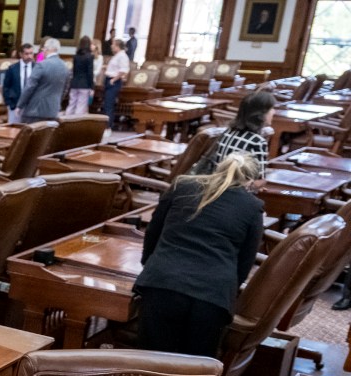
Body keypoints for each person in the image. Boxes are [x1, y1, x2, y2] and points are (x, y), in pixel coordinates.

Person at [136, 152, 264, 357]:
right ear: (249, 181)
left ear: (219, 167)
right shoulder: (253, 207)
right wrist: (228, 290)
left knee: (151, 361)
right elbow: (244, 263)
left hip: (163, 282)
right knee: (195, 369)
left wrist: (150, 266)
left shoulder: (182, 185)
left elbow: (153, 232)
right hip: (212, 295)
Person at [210, 89, 274, 177]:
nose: (273, 112)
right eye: (271, 109)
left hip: (217, 184)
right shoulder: (257, 141)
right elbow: (259, 179)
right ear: (260, 115)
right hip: (237, 188)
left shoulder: (227, 132)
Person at [16, 37, 68, 123]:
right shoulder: (65, 66)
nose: (43, 50)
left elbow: (30, 87)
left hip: (35, 111)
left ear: (46, 49)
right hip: (53, 111)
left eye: (43, 48)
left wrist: (20, 105)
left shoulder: (41, 65)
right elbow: (65, 89)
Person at [2, 43, 35, 124]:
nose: (29, 56)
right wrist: (9, 103)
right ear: (21, 54)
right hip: (15, 104)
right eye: (26, 54)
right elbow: (6, 86)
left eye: (31, 53)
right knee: (13, 130)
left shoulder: (37, 68)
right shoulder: (12, 68)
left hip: (31, 106)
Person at [103, 37, 129, 129]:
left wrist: (113, 80)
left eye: (113, 44)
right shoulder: (117, 55)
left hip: (114, 82)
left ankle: (108, 127)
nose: (111, 46)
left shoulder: (122, 56)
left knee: (109, 105)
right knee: (106, 104)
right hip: (109, 79)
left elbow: (123, 70)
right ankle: (105, 125)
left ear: (117, 46)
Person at [66, 35, 95, 116]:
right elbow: (90, 73)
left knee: (71, 105)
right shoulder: (90, 57)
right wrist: (92, 86)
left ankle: (66, 123)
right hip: (84, 85)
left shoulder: (76, 56)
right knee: (80, 107)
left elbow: (74, 71)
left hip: (74, 83)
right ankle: (76, 126)